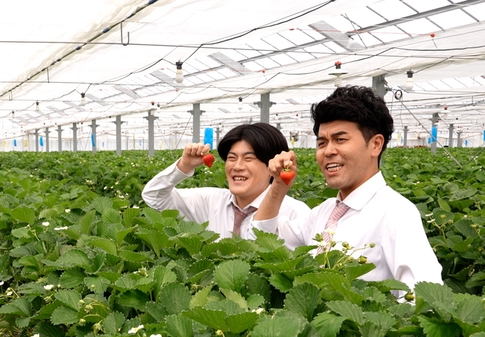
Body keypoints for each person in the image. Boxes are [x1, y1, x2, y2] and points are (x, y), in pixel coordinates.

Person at [253, 85, 442, 291]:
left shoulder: (396, 213)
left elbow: (424, 296)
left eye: (340, 139)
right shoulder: (324, 212)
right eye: (322, 142)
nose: (329, 151)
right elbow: (262, 240)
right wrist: (278, 186)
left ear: (376, 145)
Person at [142, 122, 310, 239]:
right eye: (231, 158)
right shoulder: (210, 201)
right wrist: (183, 166)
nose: (237, 166)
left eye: (249, 158)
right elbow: (154, 196)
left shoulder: (296, 213)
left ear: (271, 165)